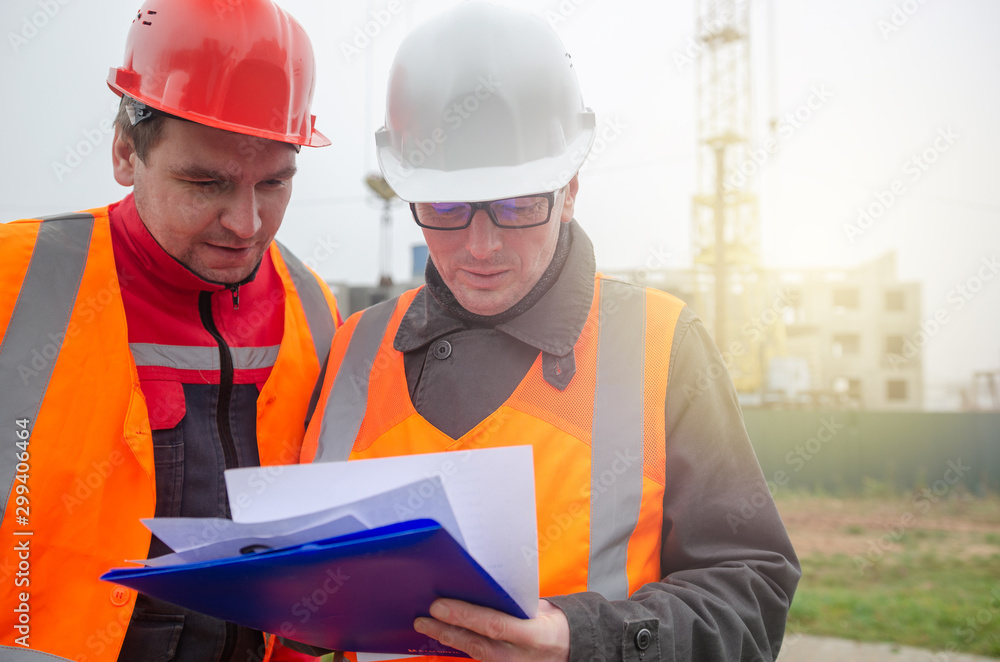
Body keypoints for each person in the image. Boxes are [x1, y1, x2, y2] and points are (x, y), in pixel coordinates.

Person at [301, 3, 799, 661]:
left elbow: (751, 596)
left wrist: (585, 641)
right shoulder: (354, 349)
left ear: (570, 189)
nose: (480, 245)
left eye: (516, 205)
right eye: (446, 207)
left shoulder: (661, 347)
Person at [0, 1, 337, 660]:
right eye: (205, 183)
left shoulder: (313, 309)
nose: (245, 224)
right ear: (127, 151)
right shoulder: (15, 282)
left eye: (273, 183)